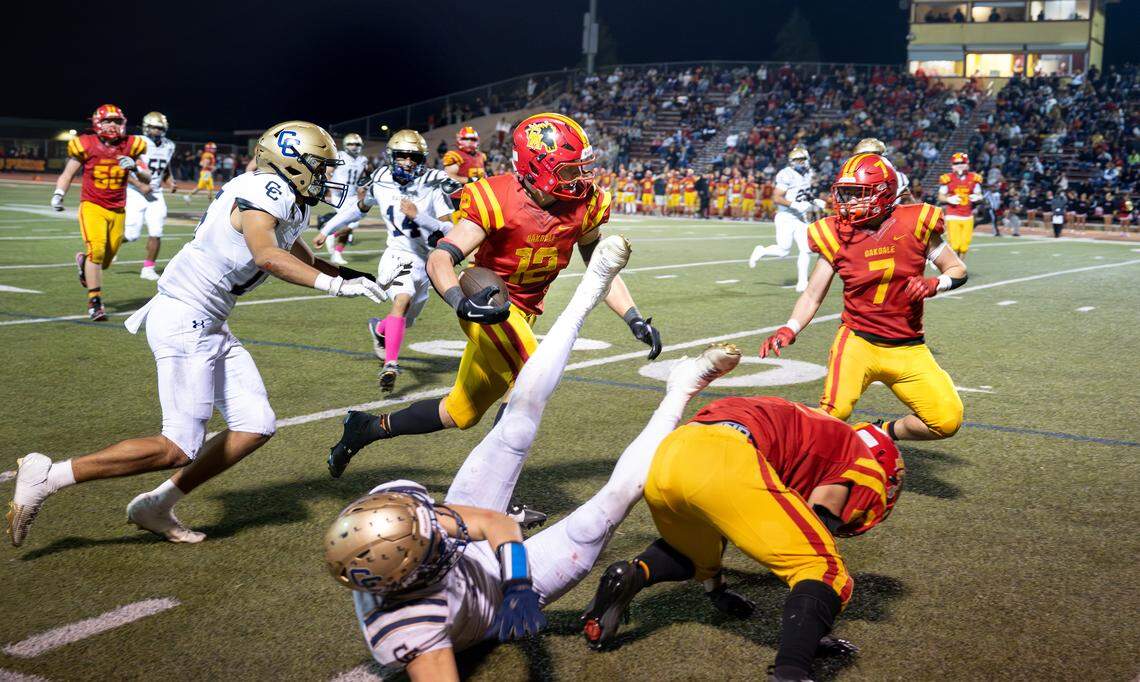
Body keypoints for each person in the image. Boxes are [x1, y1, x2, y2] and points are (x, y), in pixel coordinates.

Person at [324, 235, 740, 679]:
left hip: (505, 578)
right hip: (501, 600)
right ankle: (681, 389)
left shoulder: (391, 512)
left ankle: (589, 289)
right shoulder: (408, 631)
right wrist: (521, 587)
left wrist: (513, 577)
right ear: (409, 576)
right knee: (612, 502)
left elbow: (494, 524)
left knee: (517, 421)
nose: (439, 531)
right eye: (431, 543)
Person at [7, 121, 403, 548]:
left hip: (209, 319)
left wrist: (353, 275)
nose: (325, 177)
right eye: (318, 167)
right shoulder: (267, 190)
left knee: (255, 424)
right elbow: (267, 255)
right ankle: (49, 475)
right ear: (289, 161)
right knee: (177, 446)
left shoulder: (288, 197)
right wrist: (336, 287)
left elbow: (292, 250)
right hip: (184, 315)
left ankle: (155, 505)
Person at [326, 113, 662, 478]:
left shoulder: (586, 204)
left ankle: (366, 428)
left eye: (582, 169)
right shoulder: (496, 196)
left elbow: (602, 271)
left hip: (525, 312)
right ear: (536, 169)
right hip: (486, 304)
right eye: (569, 171)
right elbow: (441, 258)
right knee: (532, 376)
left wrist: (633, 317)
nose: (581, 179)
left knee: (460, 411)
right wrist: (460, 302)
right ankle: (492, 485)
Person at [580, 398, 903, 681]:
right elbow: (818, 518)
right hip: (725, 455)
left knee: (697, 547)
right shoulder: (860, 459)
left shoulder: (817, 424)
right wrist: (807, 631)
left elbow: (727, 517)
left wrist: (717, 589)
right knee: (823, 568)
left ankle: (633, 574)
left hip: (672, 454)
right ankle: (791, 673)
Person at [760, 152, 967, 442]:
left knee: (946, 420)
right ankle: (778, 443)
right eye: (845, 194)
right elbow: (812, 293)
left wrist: (938, 284)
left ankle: (874, 434)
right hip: (859, 341)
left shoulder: (915, 222)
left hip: (908, 347)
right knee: (833, 414)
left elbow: (957, 268)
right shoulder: (836, 233)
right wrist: (790, 327)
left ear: (883, 194)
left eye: (858, 194)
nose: (848, 203)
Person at [315, 130, 459, 394]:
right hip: (396, 255)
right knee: (401, 300)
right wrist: (328, 229)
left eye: (412, 156)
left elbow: (451, 231)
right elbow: (358, 208)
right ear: (392, 157)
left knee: (404, 318)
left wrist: (420, 217)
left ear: (422, 159)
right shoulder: (380, 179)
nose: (406, 162)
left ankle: (378, 328)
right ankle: (390, 365)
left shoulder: (431, 185)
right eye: (401, 156)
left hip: (425, 262)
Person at [51, 104, 151, 320]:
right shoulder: (86, 144)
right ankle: (95, 302)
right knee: (96, 251)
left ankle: (82, 262)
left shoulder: (131, 145)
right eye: (108, 121)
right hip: (92, 205)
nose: (113, 125)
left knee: (105, 260)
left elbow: (148, 178)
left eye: (117, 121)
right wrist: (59, 193)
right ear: (98, 123)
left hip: (117, 209)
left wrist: (135, 167)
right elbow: (68, 173)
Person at [748, 146, 826, 292]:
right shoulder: (786, 174)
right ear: (791, 162)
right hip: (786, 216)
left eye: (802, 160)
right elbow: (776, 197)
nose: (800, 163)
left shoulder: (808, 173)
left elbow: (804, 194)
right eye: (796, 160)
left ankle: (802, 282)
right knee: (783, 251)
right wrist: (794, 204)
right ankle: (761, 251)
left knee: (805, 249)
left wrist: (815, 201)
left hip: (801, 217)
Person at [124, 111, 176, 281]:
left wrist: (170, 182)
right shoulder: (137, 142)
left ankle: (148, 268)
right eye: (153, 127)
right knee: (131, 235)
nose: (157, 130)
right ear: (146, 127)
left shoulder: (169, 145)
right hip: (135, 192)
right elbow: (122, 168)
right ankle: (110, 245)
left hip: (156, 192)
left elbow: (165, 169)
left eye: (159, 128)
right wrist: (139, 185)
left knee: (157, 231)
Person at [315, 133, 370, 265]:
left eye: (356, 144)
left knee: (352, 224)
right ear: (346, 145)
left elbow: (365, 177)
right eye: (351, 144)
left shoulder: (363, 159)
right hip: (339, 195)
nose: (354, 146)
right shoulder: (339, 155)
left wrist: (363, 186)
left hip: (352, 196)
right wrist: (331, 185)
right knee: (350, 223)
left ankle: (330, 236)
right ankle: (333, 244)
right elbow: (327, 172)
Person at [938, 152, 983, 259]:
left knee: (964, 246)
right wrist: (948, 199)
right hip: (953, 215)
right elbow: (940, 196)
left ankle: (960, 266)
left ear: (967, 164)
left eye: (962, 162)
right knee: (955, 245)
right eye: (956, 163)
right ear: (952, 165)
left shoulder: (974, 178)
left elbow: (979, 194)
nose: (959, 165)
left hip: (968, 215)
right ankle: (955, 267)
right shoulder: (947, 178)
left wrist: (977, 197)